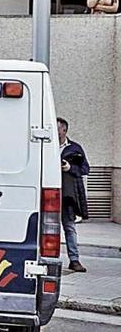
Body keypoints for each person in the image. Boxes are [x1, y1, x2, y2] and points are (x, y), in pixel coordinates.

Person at [57, 117, 89, 273]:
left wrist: (70, 168)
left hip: (67, 196)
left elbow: (85, 169)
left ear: (64, 130)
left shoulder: (75, 148)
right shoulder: (45, 145)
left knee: (69, 227)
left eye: (56, 128)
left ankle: (74, 260)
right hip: (48, 194)